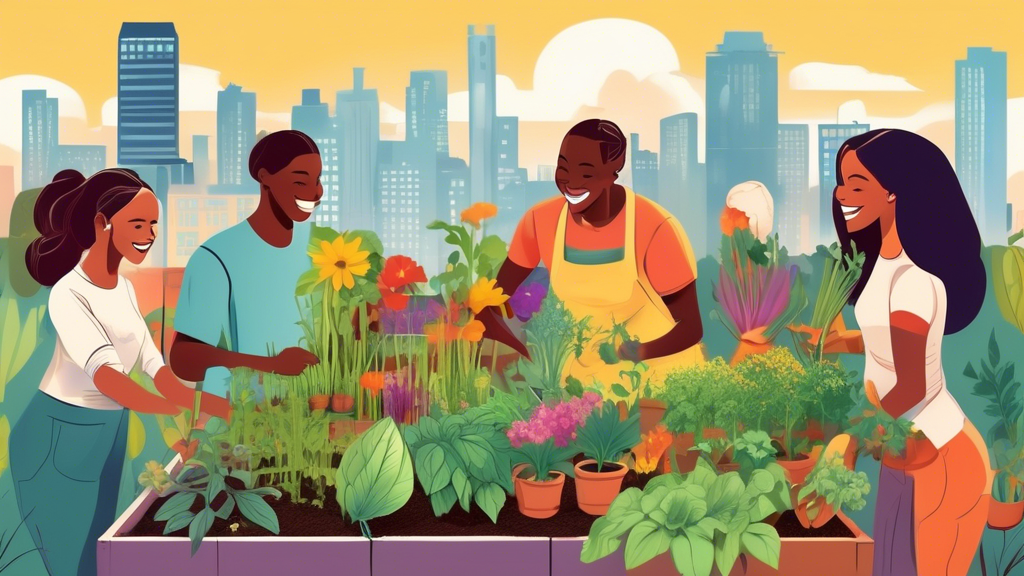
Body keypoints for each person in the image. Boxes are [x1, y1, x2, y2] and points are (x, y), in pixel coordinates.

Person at [11, 169, 226, 576]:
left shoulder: (123, 288)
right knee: (71, 560)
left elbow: (155, 370)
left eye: (153, 224)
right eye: (138, 223)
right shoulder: (69, 293)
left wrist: (218, 406)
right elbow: (109, 380)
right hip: (58, 434)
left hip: (107, 432)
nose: (150, 233)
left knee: (100, 554)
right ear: (101, 223)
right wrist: (181, 411)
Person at [810, 129, 989, 575]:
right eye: (841, 180)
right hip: (899, 455)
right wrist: (835, 342)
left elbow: (911, 384)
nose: (842, 194)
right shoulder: (883, 267)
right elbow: (885, 344)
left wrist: (851, 438)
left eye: (857, 183)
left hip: (941, 458)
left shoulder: (914, 281)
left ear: (894, 193)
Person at [479, 119, 704, 393]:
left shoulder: (654, 227)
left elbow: (690, 328)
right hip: (582, 384)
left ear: (614, 171)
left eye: (586, 174)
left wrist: (632, 352)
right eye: (563, 167)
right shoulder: (541, 221)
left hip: (657, 379)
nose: (571, 182)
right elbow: (496, 298)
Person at [169, 130, 321, 404]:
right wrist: (272, 364)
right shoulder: (216, 256)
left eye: (318, 180)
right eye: (300, 180)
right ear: (265, 178)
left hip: (315, 413)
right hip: (239, 423)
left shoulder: (320, 247)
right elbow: (183, 360)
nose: (315, 192)